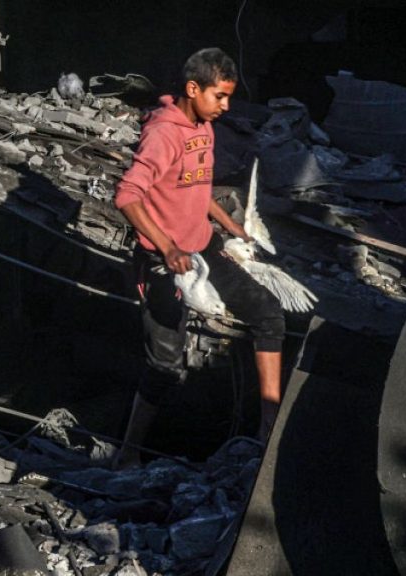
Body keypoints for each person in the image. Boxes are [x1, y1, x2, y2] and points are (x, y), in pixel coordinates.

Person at [112, 48, 285, 469]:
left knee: (270, 315)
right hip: (164, 261)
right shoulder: (163, 134)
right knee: (165, 365)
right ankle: (129, 451)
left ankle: (268, 430)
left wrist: (232, 226)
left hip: (204, 246)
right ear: (193, 89)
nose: (226, 106)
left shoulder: (203, 127)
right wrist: (168, 247)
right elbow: (127, 196)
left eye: (228, 97)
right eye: (220, 96)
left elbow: (199, 187)